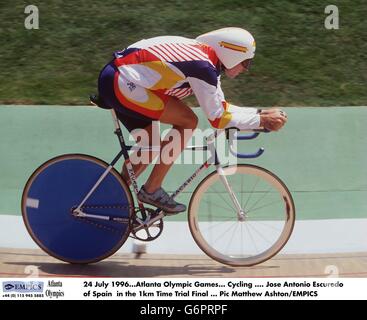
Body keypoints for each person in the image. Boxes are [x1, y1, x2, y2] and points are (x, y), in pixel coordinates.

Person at [97, 27, 287, 214]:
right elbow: (217, 118)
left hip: (119, 79)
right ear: (232, 54)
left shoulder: (206, 60)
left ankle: (112, 197)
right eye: (246, 63)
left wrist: (259, 113)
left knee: (152, 145)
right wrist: (262, 121)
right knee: (188, 122)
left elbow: (222, 107)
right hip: (123, 82)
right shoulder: (203, 67)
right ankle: (152, 189)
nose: (245, 69)